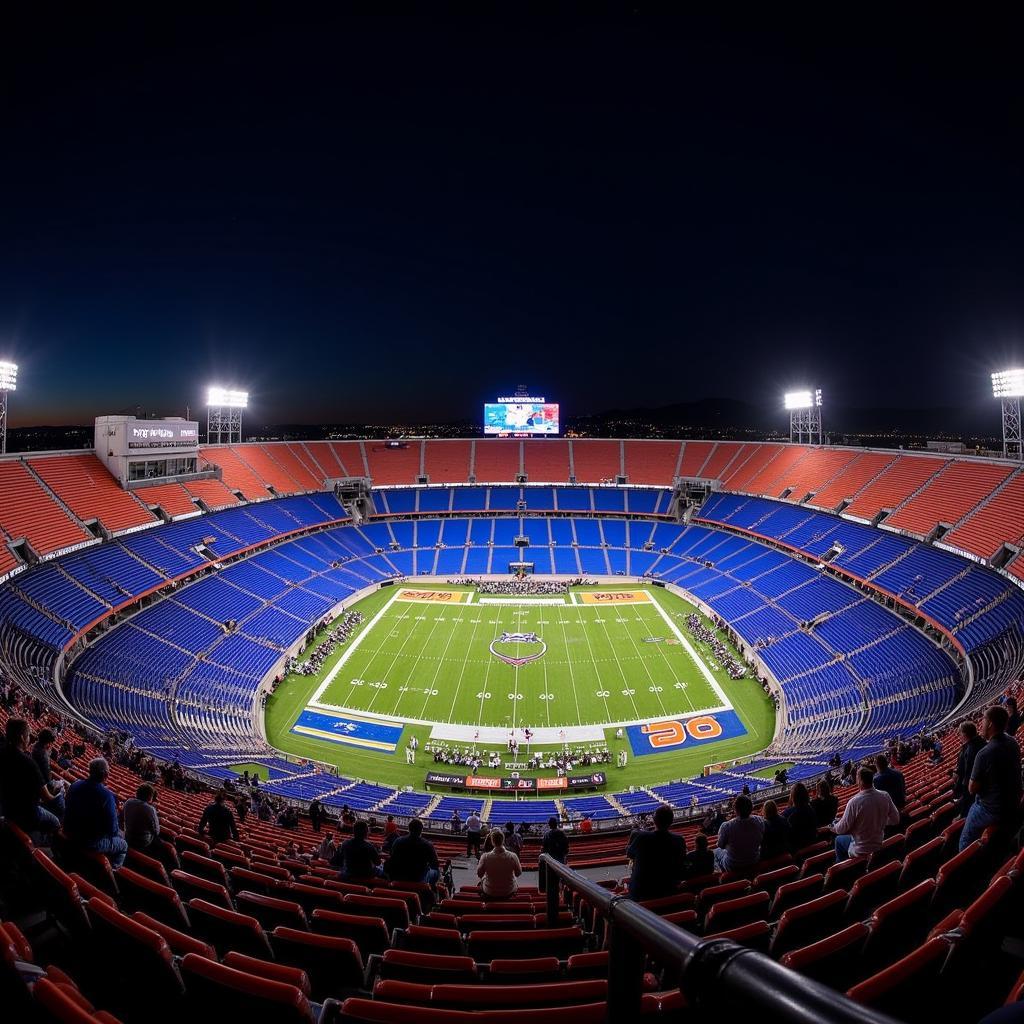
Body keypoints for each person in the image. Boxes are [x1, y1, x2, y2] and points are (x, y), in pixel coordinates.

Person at [960, 705, 1023, 851]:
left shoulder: (984, 753)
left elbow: (972, 788)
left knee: (965, 837)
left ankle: (964, 862)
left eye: (983, 720)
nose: (980, 724)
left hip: (993, 809)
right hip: (1012, 801)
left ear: (990, 724)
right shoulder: (1012, 742)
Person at [0, 719, 61, 838]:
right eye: (28, 735)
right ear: (23, 738)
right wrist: (60, 793)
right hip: (27, 814)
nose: (29, 738)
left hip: (6, 807)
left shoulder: (2, 752)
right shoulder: (29, 764)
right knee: (56, 822)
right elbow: (47, 797)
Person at [64, 758, 128, 869]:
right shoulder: (106, 796)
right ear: (106, 774)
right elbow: (112, 830)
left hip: (69, 829)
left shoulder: (75, 784)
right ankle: (113, 872)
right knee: (124, 844)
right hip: (89, 842)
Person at [833, 766, 900, 860]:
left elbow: (841, 829)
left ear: (860, 781)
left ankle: (842, 869)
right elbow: (896, 819)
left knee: (838, 840)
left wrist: (832, 828)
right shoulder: (885, 795)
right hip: (878, 842)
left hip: (860, 849)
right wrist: (878, 821)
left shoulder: (854, 802)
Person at [626, 804, 687, 900]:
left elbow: (629, 854)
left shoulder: (642, 837)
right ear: (671, 821)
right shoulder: (679, 840)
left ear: (654, 820)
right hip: (669, 891)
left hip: (640, 895)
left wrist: (632, 838)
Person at [714, 796, 764, 873]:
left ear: (735, 809)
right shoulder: (760, 820)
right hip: (754, 860)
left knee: (715, 852)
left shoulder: (726, 826)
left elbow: (720, 845)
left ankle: (718, 876)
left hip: (733, 865)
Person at [385, 817, 439, 885]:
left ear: (409, 829)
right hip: (418, 878)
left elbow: (391, 857)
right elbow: (435, 864)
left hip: (398, 876)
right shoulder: (427, 845)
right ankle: (432, 890)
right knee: (435, 872)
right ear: (421, 830)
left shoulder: (398, 841)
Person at [953, 721, 987, 817]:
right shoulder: (980, 741)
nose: (958, 735)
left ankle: (963, 815)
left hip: (973, 787)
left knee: (968, 803)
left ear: (964, 734)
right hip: (979, 784)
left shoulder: (970, 749)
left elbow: (968, 774)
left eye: (959, 732)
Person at [476, 829, 522, 898]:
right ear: (503, 840)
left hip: (489, 891)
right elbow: (518, 873)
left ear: (492, 841)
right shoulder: (513, 856)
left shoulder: (485, 857)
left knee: (481, 882)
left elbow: (479, 874)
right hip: (509, 891)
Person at [31, 728, 64, 819]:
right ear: (48, 742)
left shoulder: (35, 747)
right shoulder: (42, 755)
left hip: (38, 784)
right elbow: (46, 781)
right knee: (62, 789)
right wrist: (56, 786)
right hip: (41, 789)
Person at [122, 783, 160, 851]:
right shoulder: (150, 809)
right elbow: (156, 831)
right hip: (142, 842)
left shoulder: (128, 801)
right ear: (150, 797)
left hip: (127, 836)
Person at [781, 783, 818, 850]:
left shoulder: (786, 814)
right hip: (812, 842)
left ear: (793, 796)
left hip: (795, 847)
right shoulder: (811, 809)